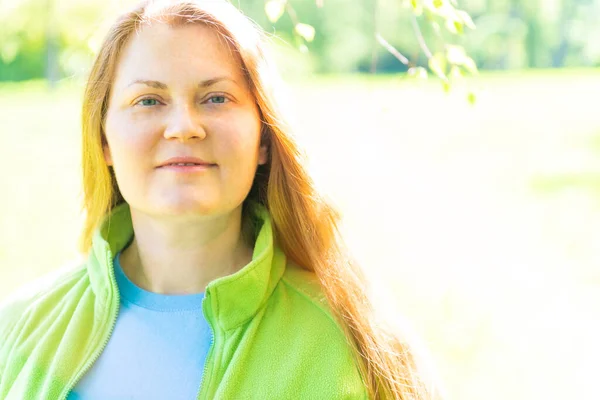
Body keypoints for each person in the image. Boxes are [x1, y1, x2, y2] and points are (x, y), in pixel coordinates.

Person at [0, 0, 441, 398]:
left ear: (264, 137)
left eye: (215, 98)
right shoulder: (20, 328)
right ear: (105, 141)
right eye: (149, 100)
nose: (184, 127)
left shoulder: (354, 341)